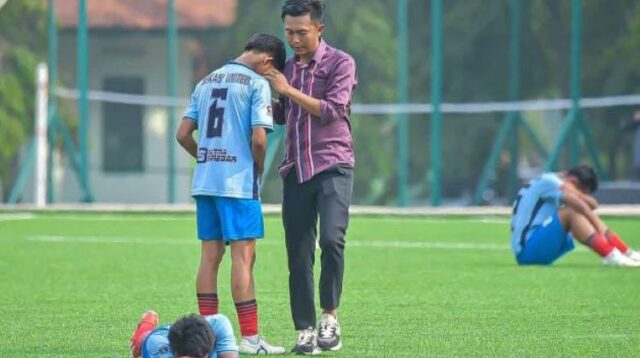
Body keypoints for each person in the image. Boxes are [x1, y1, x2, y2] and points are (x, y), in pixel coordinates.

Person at [176, 33, 287, 355]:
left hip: (206, 181)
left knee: (209, 257)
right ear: (268, 62)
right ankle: (250, 339)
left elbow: (183, 134)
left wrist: (206, 158)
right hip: (237, 184)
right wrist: (257, 168)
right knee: (244, 257)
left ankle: (205, 340)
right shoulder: (256, 84)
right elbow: (259, 140)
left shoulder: (206, 82)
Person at [263, 0, 357, 354]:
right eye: (289, 32)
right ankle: (304, 329)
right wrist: (260, 100)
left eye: (302, 32)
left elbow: (332, 110)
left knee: (332, 240)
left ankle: (329, 317)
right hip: (296, 169)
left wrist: (286, 90)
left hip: (333, 164)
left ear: (320, 29)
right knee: (298, 253)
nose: (295, 39)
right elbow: (285, 115)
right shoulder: (286, 67)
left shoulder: (341, 63)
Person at [511, 164, 640, 267]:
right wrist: (598, 226)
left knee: (576, 210)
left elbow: (592, 204)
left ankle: (625, 253)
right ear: (573, 180)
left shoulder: (549, 181)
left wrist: (576, 193)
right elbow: (584, 206)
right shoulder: (549, 181)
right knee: (571, 212)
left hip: (532, 248)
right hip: (527, 251)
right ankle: (611, 255)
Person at [129, 310, 238, 358]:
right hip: (158, 337)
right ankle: (145, 328)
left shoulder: (219, 324)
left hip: (190, 330)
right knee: (143, 340)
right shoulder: (159, 348)